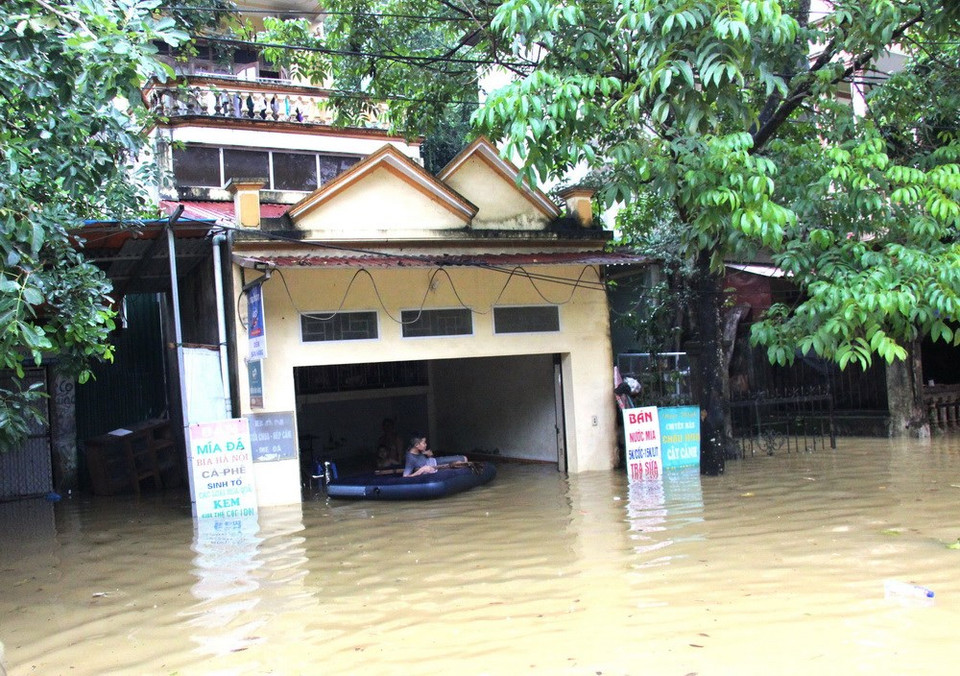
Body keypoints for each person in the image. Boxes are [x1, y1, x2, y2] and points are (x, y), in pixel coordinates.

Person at [403, 434, 468, 477]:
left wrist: (429, 455)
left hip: (436, 461)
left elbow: (424, 460)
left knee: (464, 458)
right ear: (417, 445)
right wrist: (422, 470)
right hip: (435, 466)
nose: (426, 444)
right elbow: (405, 477)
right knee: (463, 461)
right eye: (424, 443)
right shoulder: (410, 458)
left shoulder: (418, 451)